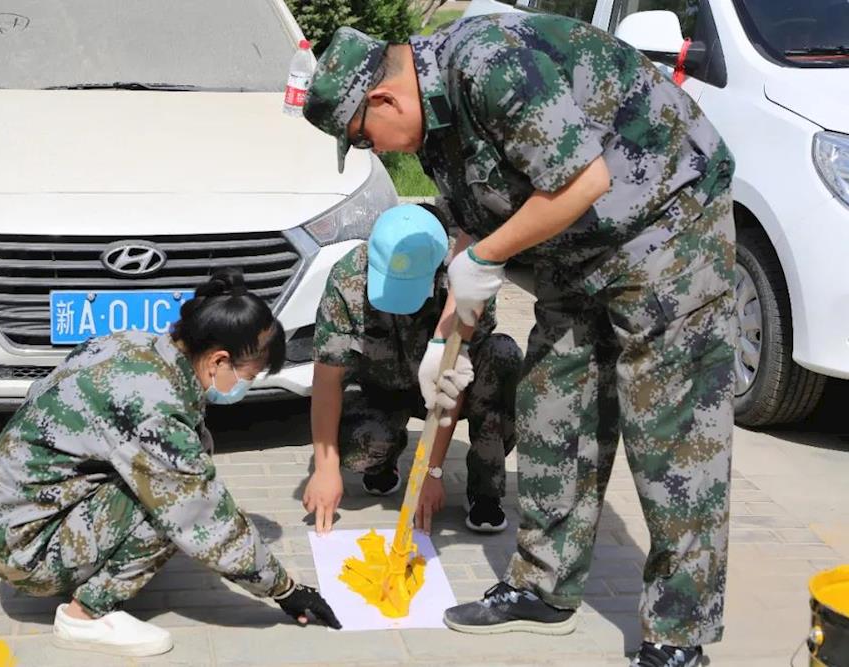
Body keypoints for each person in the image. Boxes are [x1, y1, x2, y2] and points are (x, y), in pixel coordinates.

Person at [303, 12, 736, 667]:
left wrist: (483, 261)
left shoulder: (487, 62)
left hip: (666, 224)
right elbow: (474, 240)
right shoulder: (432, 128)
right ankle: (543, 584)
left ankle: (678, 635)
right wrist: (446, 340)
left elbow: (581, 181)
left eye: (365, 136)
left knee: (670, 429)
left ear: (385, 97)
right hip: (578, 247)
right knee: (553, 400)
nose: (378, 150)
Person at [0, 269, 341, 657]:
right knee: (174, 505)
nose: (245, 385)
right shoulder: (155, 407)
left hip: (19, 515)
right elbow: (202, 515)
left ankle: (91, 562)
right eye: (248, 375)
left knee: (184, 465)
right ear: (219, 359)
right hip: (29, 553)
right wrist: (284, 589)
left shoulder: (137, 344)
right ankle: (85, 616)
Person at [303, 202, 521, 535]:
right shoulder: (348, 277)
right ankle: (383, 458)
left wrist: (431, 471)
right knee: (354, 448)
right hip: (383, 387)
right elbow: (327, 379)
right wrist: (325, 468)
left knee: (501, 354)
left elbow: (454, 380)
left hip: (443, 386)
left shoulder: (465, 276)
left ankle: (485, 489)